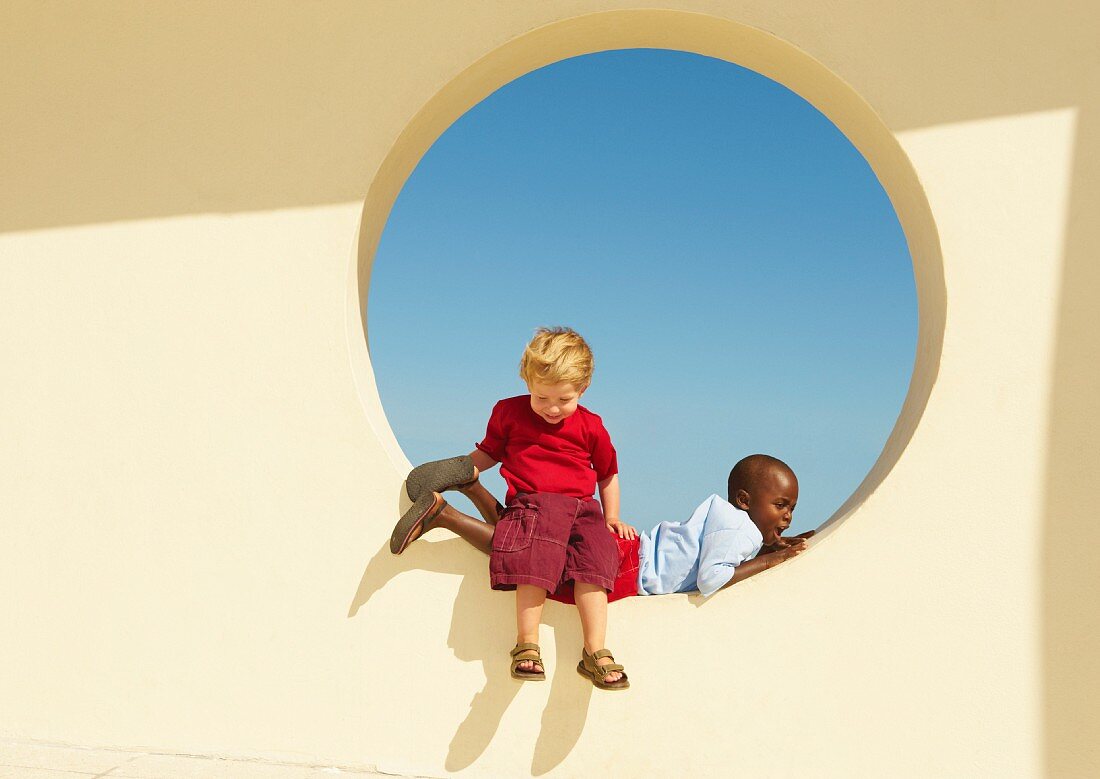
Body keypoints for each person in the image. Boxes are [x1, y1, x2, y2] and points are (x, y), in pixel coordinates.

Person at [390, 327, 632, 690]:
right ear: (527, 382)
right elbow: (490, 451)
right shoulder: (509, 412)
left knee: (597, 563)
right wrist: (464, 466)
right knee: (534, 559)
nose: (551, 408)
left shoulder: (591, 426)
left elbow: (608, 474)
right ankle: (527, 644)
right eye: (541, 397)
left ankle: (595, 651)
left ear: (582, 389)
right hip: (532, 503)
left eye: (563, 400)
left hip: (583, 509)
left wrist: (611, 517)